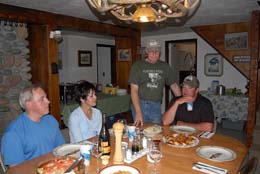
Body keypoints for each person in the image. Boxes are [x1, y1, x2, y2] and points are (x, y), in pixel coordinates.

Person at [1, 84, 65, 167]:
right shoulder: (13, 133)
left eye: (46, 97)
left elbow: (61, 149)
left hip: (56, 168)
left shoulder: (51, 120)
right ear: (28, 104)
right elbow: (16, 170)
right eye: (42, 99)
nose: (48, 101)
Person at [128, 39, 181, 126]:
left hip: (156, 106)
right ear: (146, 51)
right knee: (141, 131)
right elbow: (133, 90)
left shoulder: (164, 66)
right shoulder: (138, 66)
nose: (154, 53)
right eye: (151, 51)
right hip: (140, 104)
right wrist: (138, 112)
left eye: (157, 51)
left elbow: (174, 85)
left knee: (156, 132)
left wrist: (181, 101)